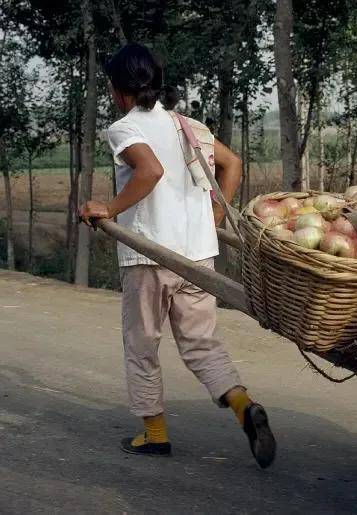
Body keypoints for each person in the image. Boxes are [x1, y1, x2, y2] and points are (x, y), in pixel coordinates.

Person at [78, 43, 275, 468]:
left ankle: (154, 435)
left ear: (117, 89)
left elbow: (150, 171)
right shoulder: (191, 126)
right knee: (201, 342)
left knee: (141, 343)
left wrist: (108, 208)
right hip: (198, 258)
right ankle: (243, 405)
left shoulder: (124, 128)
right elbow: (232, 164)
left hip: (150, 256)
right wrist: (214, 215)